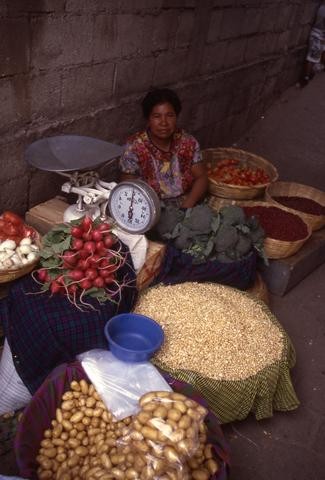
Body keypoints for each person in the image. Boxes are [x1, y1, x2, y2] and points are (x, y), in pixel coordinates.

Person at [119, 88, 208, 209]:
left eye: (170, 115)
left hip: (186, 203)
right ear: (148, 119)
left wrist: (186, 208)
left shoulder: (188, 142)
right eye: (157, 116)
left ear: (176, 116)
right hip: (149, 209)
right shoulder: (134, 147)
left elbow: (201, 177)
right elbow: (129, 190)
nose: (164, 123)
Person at [297, 2, 325, 88]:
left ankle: (310, 74)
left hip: (315, 33)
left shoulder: (321, 7)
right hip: (319, 35)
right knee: (312, 58)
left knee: (314, 56)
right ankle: (306, 77)